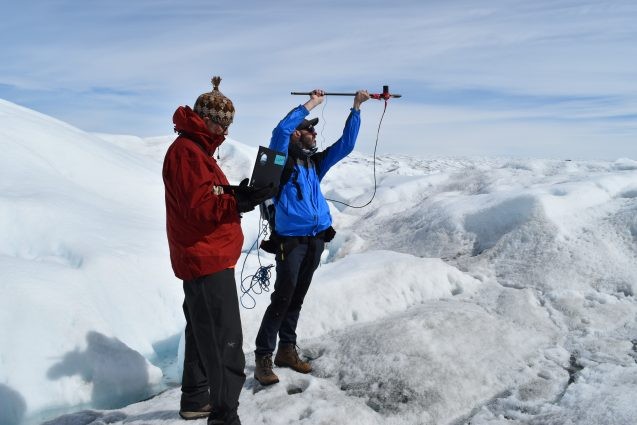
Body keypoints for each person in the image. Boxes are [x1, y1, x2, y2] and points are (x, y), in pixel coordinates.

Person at [163, 76, 274, 424]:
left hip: (203, 257)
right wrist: (236, 202)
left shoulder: (195, 150)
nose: (225, 132)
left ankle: (196, 400)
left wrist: (232, 195)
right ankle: (225, 417)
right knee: (224, 344)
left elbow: (205, 197)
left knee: (200, 332)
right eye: (221, 124)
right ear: (206, 119)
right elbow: (198, 208)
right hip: (205, 259)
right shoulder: (187, 153)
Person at [253, 89, 370, 385]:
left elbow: (346, 145)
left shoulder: (314, 164)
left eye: (314, 129)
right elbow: (279, 129)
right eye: (309, 129)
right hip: (290, 242)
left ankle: (287, 351)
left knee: (297, 296)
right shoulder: (282, 162)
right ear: (296, 135)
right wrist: (311, 104)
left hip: (315, 239)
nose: (314, 133)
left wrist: (356, 108)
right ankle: (263, 357)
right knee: (282, 296)